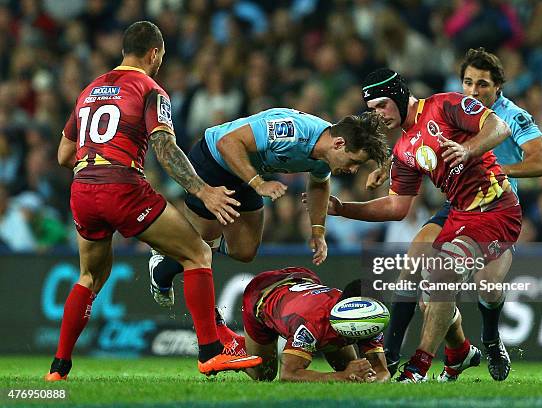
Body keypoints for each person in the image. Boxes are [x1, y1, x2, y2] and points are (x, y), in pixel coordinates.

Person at [45, 21, 261, 381]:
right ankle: (210, 352)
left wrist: (95, 165)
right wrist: (201, 189)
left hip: (83, 188)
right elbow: (164, 146)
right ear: (154, 53)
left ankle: (58, 369)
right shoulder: (150, 88)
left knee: (89, 276)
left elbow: (64, 154)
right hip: (123, 187)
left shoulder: (89, 90)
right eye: (160, 57)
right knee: (197, 253)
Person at [306, 67, 522, 383]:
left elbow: (499, 127)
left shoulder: (444, 105)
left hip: (495, 208)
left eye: (382, 105)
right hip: (461, 213)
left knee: (443, 274)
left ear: (398, 95)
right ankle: (457, 354)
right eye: (371, 110)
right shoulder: (404, 149)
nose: (378, 115)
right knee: (423, 287)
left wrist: (467, 148)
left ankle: (417, 366)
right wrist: (342, 208)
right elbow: (396, 207)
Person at [367, 49, 542, 382]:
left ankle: (490, 339)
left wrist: (493, 165)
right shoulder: (455, 107)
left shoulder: (512, 116)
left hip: (493, 202)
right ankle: (402, 357)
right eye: (468, 82)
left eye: (482, 84)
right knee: (417, 266)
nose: (473, 90)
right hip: (456, 203)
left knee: (485, 285)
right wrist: (390, 165)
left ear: (498, 87)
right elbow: (421, 142)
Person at [148, 109, 389, 307]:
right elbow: (227, 142)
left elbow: (318, 185)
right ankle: (162, 261)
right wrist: (258, 184)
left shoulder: (324, 156)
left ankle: (170, 254)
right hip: (214, 161)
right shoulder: (292, 131)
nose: (354, 170)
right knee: (202, 240)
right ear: (339, 144)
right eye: (355, 162)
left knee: (244, 250)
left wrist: (318, 232)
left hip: (247, 174)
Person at [241, 266, 390, 382]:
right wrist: (342, 376)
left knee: (355, 372)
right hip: (262, 295)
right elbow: (288, 374)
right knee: (264, 375)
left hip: (302, 280)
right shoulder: (310, 323)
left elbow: (382, 371)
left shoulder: (370, 318)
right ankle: (235, 347)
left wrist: (374, 380)